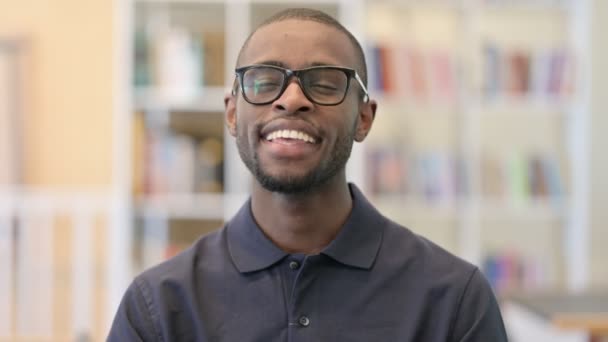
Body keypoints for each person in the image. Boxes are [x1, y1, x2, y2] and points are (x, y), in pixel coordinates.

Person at [108, 8, 508, 341]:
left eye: (325, 82)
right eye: (265, 81)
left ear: (364, 119)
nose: (292, 99)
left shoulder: (454, 300)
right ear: (232, 113)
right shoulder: (159, 307)